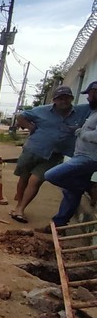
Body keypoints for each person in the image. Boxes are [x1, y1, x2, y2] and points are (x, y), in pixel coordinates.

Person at [9, 85, 91, 223]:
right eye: (60, 98)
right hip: (33, 150)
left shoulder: (82, 111)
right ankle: (18, 204)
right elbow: (21, 116)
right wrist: (30, 127)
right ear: (54, 100)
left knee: (36, 180)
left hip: (54, 155)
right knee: (24, 178)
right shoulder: (42, 111)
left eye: (66, 97)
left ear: (71, 98)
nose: (63, 101)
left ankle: (20, 209)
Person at [37, 81, 97, 232]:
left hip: (89, 158)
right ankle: (58, 225)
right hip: (82, 155)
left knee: (52, 175)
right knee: (71, 192)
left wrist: (82, 134)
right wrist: (78, 131)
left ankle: (90, 186)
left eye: (89, 94)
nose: (88, 98)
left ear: (95, 93)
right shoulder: (94, 113)